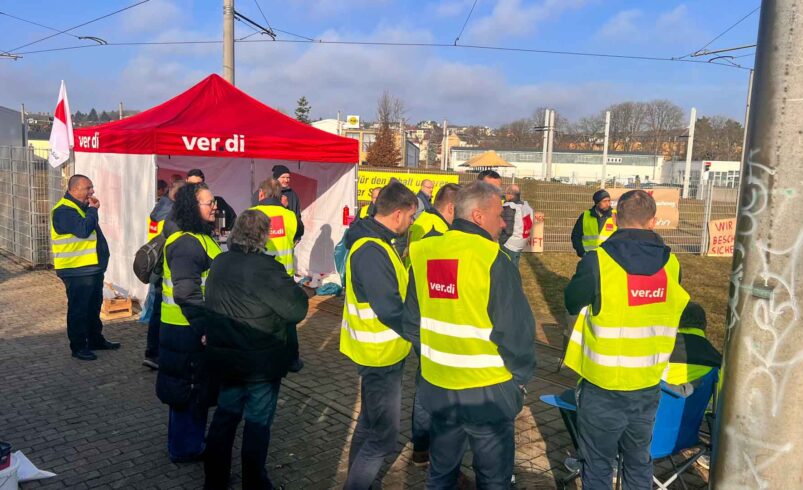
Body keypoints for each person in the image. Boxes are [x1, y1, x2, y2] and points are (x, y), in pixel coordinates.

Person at [402, 182, 536, 487]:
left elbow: (411, 321)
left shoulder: (423, 252)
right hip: (487, 392)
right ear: (478, 215)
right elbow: (517, 332)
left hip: (438, 386)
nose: (504, 223)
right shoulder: (493, 258)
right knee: (493, 479)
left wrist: (435, 358)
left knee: (441, 473)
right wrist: (518, 381)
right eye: (499, 215)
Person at [563, 189, 690, 490]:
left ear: (616, 219)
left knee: (597, 465)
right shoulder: (672, 266)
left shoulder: (598, 262)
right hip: (647, 384)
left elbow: (571, 301)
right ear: (654, 221)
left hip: (602, 387)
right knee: (638, 461)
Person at [203, 210, 309, 489]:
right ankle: (254, 481)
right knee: (257, 423)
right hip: (260, 360)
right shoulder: (266, 269)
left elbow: (210, 304)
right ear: (263, 235)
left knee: (225, 419)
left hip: (227, 356)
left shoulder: (220, 262)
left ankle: (215, 479)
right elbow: (297, 309)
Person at [340, 181, 418, 489]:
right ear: (398, 214)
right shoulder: (372, 250)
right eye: (411, 217)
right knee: (384, 437)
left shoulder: (375, 242)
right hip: (380, 356)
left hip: (378, 351)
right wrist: (419, 335)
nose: (411, 223)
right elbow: (388, 308)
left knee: (369, 424)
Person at [156, 183, 222, 463]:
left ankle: (190, 442)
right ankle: (184, 448)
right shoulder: (185, 243)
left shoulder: (201, 237)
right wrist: (204, 328)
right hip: (186, 330)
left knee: (196, 391)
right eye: (209, 203)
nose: (214, 206)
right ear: (192, 207)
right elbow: (186, 292)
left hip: (191, 328)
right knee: (187, 391)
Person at [51, 174, 120, 361]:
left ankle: (95, 339)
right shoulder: (64, 210)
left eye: (92, 187)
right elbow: (83, 230)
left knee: (93, 307)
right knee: (79, 309)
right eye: (88, 188)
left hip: (90, 269)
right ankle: (79, 346)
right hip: (76, 270)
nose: (92, 191)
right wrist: (93, 210)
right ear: (74, 190)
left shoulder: (80, 208)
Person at [250, 178, 305, 373]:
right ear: (280, 196)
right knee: (287, 321)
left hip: (257, 278)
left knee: (258, 318)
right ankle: (292, 360)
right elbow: (300, 232)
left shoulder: (251, 215)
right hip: (284, 278)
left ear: (261, 194)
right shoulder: (290, 216)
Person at [143, 179, 185, 370]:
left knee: (158, 312)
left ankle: (153, 353)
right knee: (163, 313)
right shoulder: (173, 213)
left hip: (160, 266)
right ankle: (157, 354)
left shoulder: (160, 208)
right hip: (167, 267)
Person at [663, 302, 722, 389]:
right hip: (701, 402)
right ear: (704, 325)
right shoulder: (719, 362)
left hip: (662, 400)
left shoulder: (659, 354)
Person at [500, 184, 540, 267]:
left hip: (510, 244)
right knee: (514, 268)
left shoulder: (510, 208)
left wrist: (499, 242)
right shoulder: (526, 206)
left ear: (510, 195)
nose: (505, 196)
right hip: (520, 242)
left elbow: (507, 231)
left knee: (507, 270)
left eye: (506, 193)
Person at [571, 189, 617, 258]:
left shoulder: (616, 215)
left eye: (609, 201)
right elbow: (575, 236)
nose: (608, 204)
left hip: (609, 258)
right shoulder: (585, 216)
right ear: (597, 203)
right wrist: (582, 252)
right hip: (589, 257)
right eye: (604, 201)